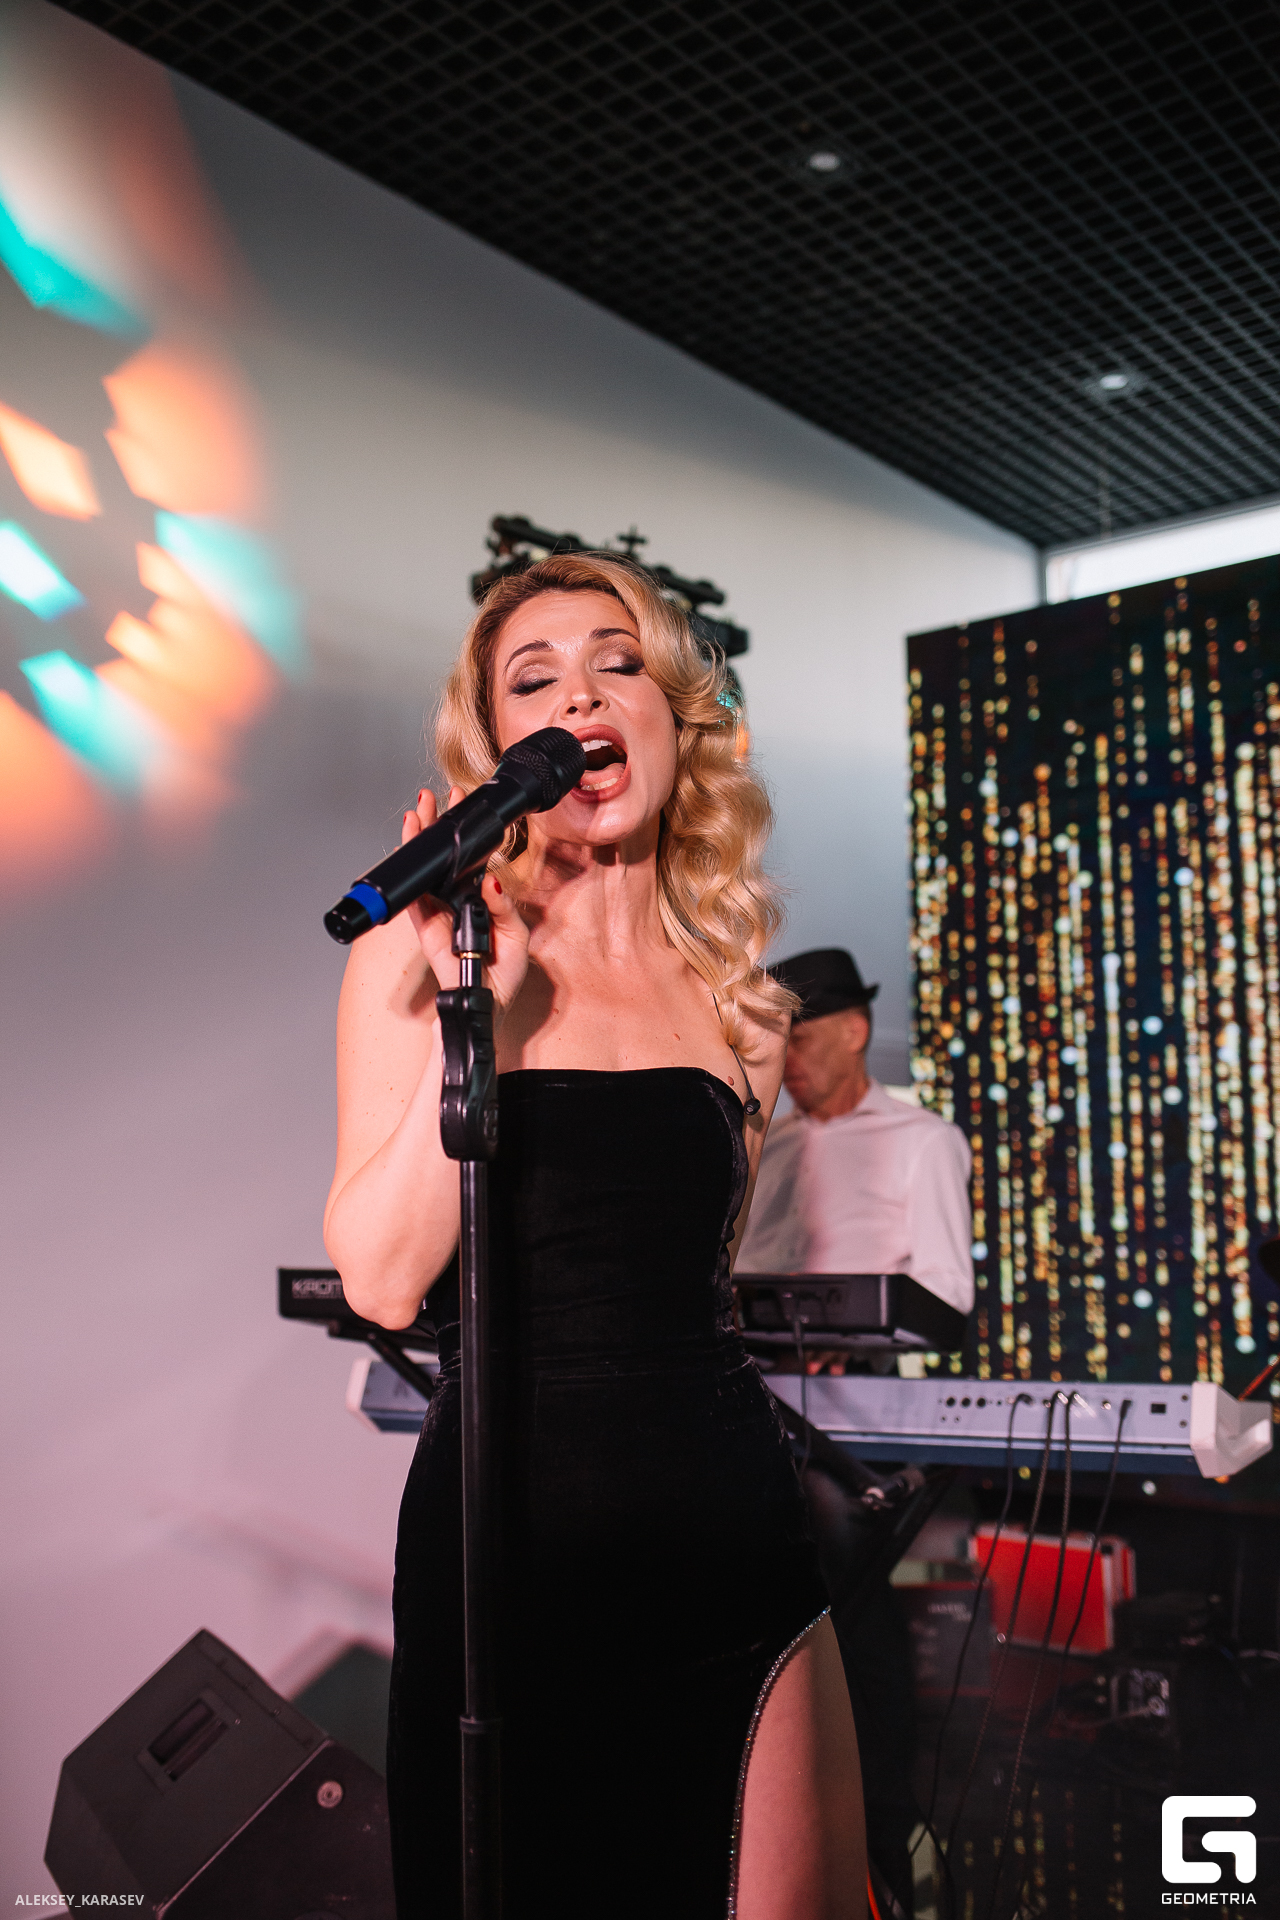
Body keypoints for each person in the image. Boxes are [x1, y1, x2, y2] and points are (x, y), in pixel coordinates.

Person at [323, 555, 866, 1920]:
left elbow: (687, 1285)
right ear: (497, 746)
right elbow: (380, 1277)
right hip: (510, 1555)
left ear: (674, 717)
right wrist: (482, 1018)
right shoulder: (422, 954)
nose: (581, 695)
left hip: (728, 1534)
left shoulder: (742, 1006)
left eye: (617, 663)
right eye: (535, 679)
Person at [737, 948, 973, 1918]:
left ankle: (880, 1831)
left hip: (859, 1411)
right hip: (758, 1398)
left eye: (798, 1039)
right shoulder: (770, 1146)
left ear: (852, 1032)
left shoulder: (923, 1141)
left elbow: (946, 1295)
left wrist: (853, 1330)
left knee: (844, 1603)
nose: (785, 1061)